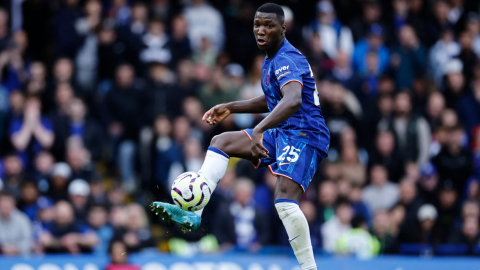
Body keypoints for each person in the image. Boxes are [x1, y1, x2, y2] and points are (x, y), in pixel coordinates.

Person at [153, 4, 330, 270]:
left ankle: (309, 267)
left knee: (284, 200)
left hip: (305, 134)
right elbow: (274, 99)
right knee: (220, 142)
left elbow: (292, 100)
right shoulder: (271, 59)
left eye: (269, 25)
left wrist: (258, 129)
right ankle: (194, 214)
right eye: (258, 24)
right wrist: (231, 106)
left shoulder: (287, 58)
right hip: (283, 131)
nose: (261, 30)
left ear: (283, 29)